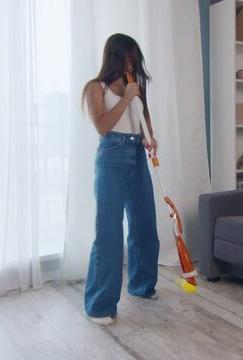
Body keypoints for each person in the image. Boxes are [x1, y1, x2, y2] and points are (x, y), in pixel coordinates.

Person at [81, 33, 160, 325]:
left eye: (133, 60)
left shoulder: (135, 87)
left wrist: (151, 138)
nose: (130, 66)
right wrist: (126, 99)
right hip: (111, 157)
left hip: (137, 156)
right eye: (126, 59)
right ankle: (100, 305)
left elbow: (144, 118)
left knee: (144, 225)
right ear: (113, 58)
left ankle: (142, 285)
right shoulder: (95, 88)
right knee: (109, 232)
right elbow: (102, 127)